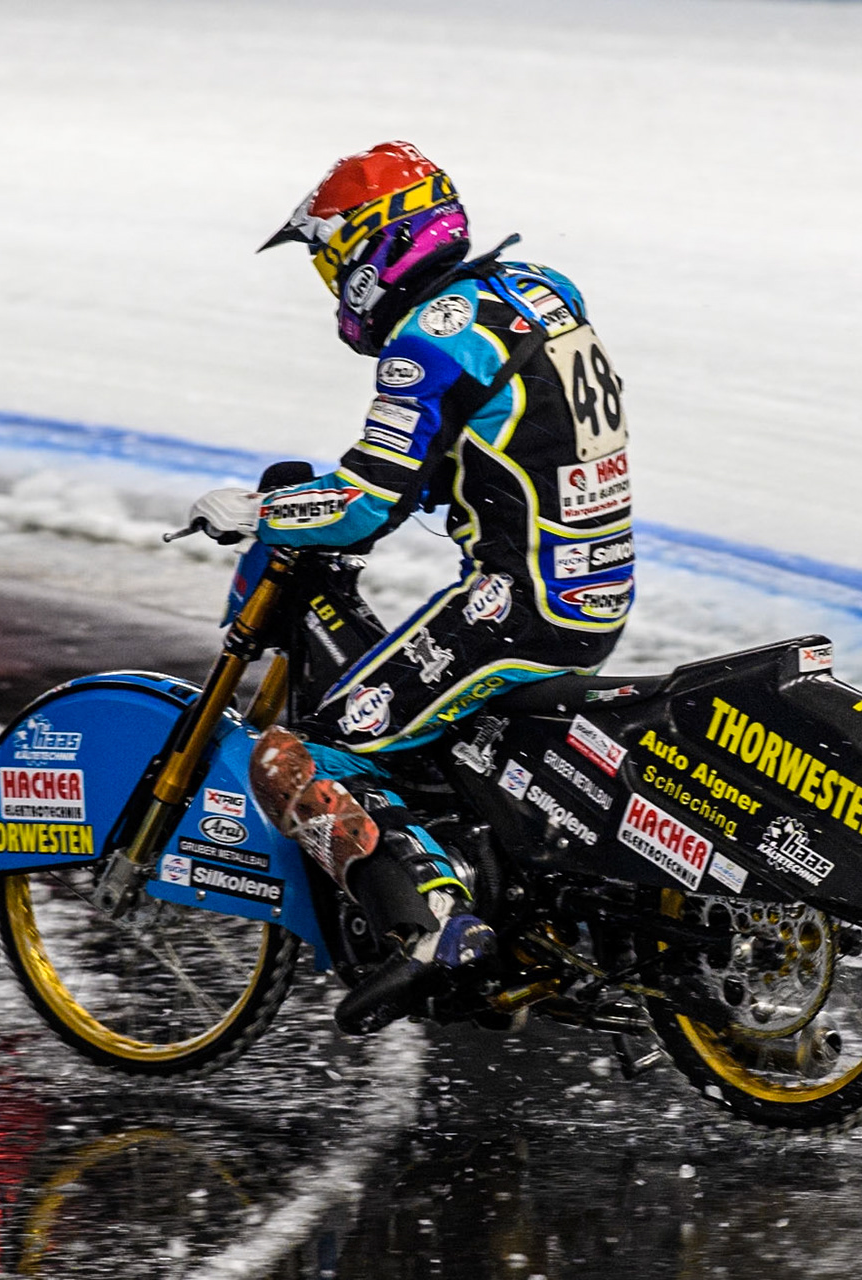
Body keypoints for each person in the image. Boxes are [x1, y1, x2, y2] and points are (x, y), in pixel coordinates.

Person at [186, 141, 634, 1032]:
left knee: (300, 756)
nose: (332, 283)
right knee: (416, 726)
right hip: (598, 583)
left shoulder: (426, 341)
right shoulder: (539, 289)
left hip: (518, 605)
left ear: (370, 248)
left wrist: (259, 514)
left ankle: (434, 927)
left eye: (330, 259)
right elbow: (514, 429)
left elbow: (364, 502)